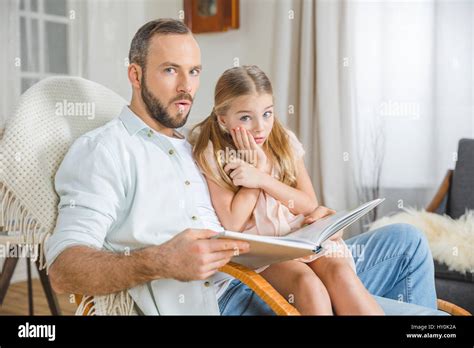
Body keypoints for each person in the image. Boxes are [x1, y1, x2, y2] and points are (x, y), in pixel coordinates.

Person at [45, 18, 442, 315]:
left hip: (272, 263)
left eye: (194, 71)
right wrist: (159, 261)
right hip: (234, 293)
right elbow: (63, 269)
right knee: (432, 322)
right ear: (135, 74)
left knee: (406, 242)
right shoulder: (105, 150)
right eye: (170, 70)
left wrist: (314, 225)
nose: (186, 86)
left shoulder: (193, 144)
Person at [190, 65, 384, 315]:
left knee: (340, 273)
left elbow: (308, 204)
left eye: (267, 113)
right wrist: (254, 171)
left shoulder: (283, 139)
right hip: (266, 251)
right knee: (307, 285)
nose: (260, 127)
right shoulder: (213, 152)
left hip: (301, 237)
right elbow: (234, 223)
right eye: (246, 117)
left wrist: (261, 178)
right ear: (223, 119)